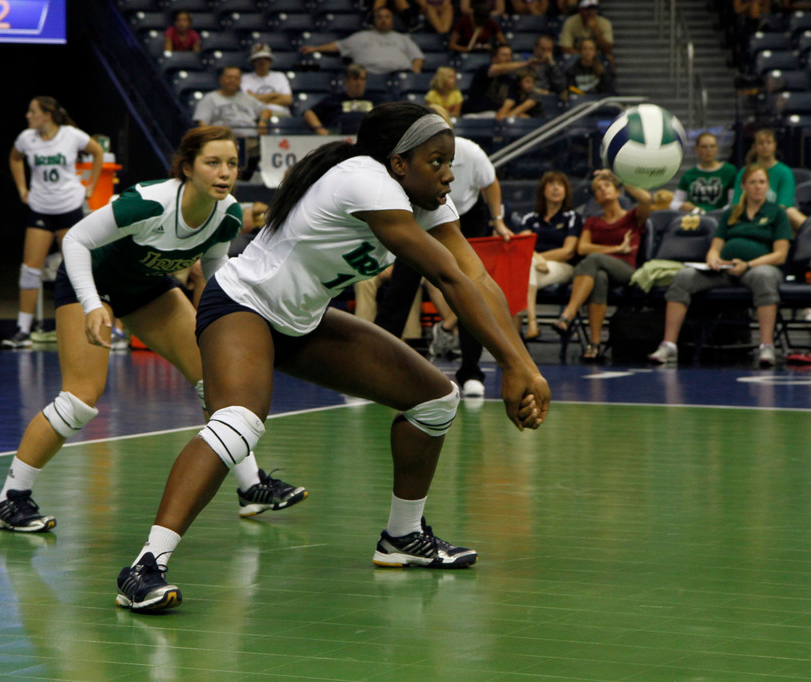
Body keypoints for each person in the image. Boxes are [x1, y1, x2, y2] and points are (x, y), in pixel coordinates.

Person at [110, 102, 550, 613]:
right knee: (238, 423)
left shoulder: (422, 195)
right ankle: (145, 566)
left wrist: (526, 364)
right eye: (437, 161)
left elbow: (476, 277)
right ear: (400, 162)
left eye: (450, 161)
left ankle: (402, 539)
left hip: (302, 321)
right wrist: (515, 366)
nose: (450, 174)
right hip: (241, 305)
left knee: (434, 400)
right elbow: (450, 279)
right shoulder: (366, 180)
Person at [0, 126, 307, 534]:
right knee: (81, 399)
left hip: (146, 286)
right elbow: (76, 242)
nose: (224, 172)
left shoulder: (227, 215)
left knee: (218, 383)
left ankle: (251, 486)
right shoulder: (149, 202)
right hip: (93, 279)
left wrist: (233, 317)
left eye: (231, 164)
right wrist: (91, 305)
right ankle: (9, 499)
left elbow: (213, 267)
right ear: (187, 167)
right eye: (212, 163)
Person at [373, 104, 513, 397]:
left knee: (470, 293)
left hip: (464, 224)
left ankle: (472, 372)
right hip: (420, 220)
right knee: (399, 293)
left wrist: (498, 220)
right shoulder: (403, 163)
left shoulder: (472, 153)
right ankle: (375, 370)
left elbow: (491, 182)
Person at [648, 165, 792, 368]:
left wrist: (747, 264)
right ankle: (669, 345)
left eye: (762, 182)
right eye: (752, 182)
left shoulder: (777, 213)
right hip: (725, 269)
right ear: (743, 186)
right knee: (683, 277)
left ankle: (766, 346)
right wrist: (714, 260)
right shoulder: (731, 213)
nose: (758, 187)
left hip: (758, 267)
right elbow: (715, 247)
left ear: (767, 186)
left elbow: (780, 255)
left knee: (763, 277)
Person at [6, 97, 104, 349]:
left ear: (47, 115)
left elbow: (97, 151)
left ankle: (85, 326)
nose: (28, 115)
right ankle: (22, 328)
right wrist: (21, 188)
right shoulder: (26, 138)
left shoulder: (71, 135)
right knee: (30, 268)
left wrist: (91, 184)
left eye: (33, 111)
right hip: (40, 207)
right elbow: (15, 158)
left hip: (69, 206)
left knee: (76, 267)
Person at [552, 170, 652, 361]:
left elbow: (646, 199)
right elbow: (582, 248)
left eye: (607, 186)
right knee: (599, 277)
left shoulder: (632, 217)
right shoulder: (592, 221)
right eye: (598, 188)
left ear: (618, 192)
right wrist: (616, 247)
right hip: (600, 270)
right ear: (596, 199)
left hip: (626, 269)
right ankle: (594, 345)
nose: (602, 190)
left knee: (594, 259)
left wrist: (620, 177)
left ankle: (568, 314)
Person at [517, 171, 583, 340]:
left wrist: (539, 258)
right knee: (521, 274)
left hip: (563, 267)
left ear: (566, 191)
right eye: (551, 184)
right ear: (542, 190)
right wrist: (537, 259)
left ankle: (526, 327)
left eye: (560, 185)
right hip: (535, 267)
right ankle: (528, 326)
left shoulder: (572, 217)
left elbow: (568, 251)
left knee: (520, 274)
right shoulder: (529, 219)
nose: (556, 188)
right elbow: (524, 248)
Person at [300, 7, 424, 75]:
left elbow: (417, 57)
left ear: (392, 20)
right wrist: (315, 48)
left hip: (399, 75)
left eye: (387, 17)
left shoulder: (403, 38)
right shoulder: (361, 36)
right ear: (374, 20)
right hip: (368, 77)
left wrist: (416, 70)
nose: (383, 20)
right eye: (379, 17)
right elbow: (338, 46)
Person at [730, 128, 804, 231]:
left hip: (776, 218)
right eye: (761, 143)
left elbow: (784, 205)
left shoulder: (784, 172)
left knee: (791, 212)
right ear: (754, 147)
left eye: (768, 142)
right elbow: (736, 203)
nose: (765, 146)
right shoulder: (744, 172)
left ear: (775, 145)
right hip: (748, 217)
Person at [304, 64, 389, 135]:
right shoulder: (334, 99)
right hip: (340, 140)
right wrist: (320, 130)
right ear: (346, 81)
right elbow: (309, 113)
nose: (359, 83)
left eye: (362, 79)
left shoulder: (376, 100)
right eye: (355, 79)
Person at [194, 67, 273, 138]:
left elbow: (266, 110)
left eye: (236, 78)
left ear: (240, 81)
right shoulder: (210, 98)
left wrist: (263, 122)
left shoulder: (247, 98)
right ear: (221, 79)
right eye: (229, 77)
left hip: (250, 142)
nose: (232, 80)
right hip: (223, 141)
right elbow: (202, 124)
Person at [672, 132, 738, 214]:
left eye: (712, 146)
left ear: (717, 148)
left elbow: (733, 202)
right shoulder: (689, 174)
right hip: (695, 218)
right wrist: (682, 206)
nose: (709, 150)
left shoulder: (729, 171)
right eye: (704, 147)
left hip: (720, 217)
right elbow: (674, 203)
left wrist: (719, 213)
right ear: (697, 149)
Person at [463, 44, 519, 118]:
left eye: (510, 55)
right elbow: (494, 69)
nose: (508, 58)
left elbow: (510, 100)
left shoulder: (510, 79)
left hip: (494, 117)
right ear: (494, 58)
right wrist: (526, 63)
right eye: (504, 55)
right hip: (474, 115)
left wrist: (503, 112)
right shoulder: (484, 69)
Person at [559, 0, 615, 70]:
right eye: (587, 9)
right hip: (576, 55)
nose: (590, 12)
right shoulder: (570, 22)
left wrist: (596, 30)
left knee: (609, 58)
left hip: (597, 55)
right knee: (567, 58)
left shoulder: (604, 23)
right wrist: (584, 54)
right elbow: (565, 47)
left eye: (593, 9)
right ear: (580, 9)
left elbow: (607, 49)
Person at [241, 44, 293, 118]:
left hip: (279, 113)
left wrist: (257, 98)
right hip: (256, 115)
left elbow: (288, 100)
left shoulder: (280, 76)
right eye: (258, 59)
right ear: (253, 62)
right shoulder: (245, 78)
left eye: (266, 58)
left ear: (270, 60)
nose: (262, 62)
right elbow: (249, 101)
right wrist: (275, 95)